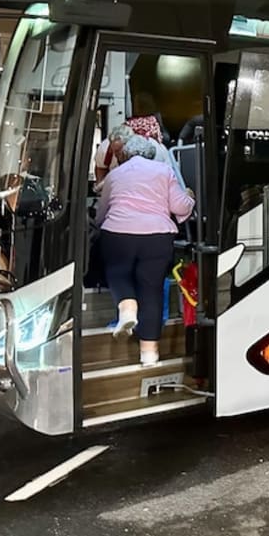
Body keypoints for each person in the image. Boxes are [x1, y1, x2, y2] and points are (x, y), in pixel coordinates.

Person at [96, 136, 194, 366]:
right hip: (157, 236)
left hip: (118, 233)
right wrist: (190, 198)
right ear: (151, 154)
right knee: (152, 291)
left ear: (124, 155)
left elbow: (102, 211)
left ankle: (127, 310)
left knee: (118, 272)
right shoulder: (164, 171)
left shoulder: (115, 175)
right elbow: (179, 206)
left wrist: (101, 222)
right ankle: (149, 355)